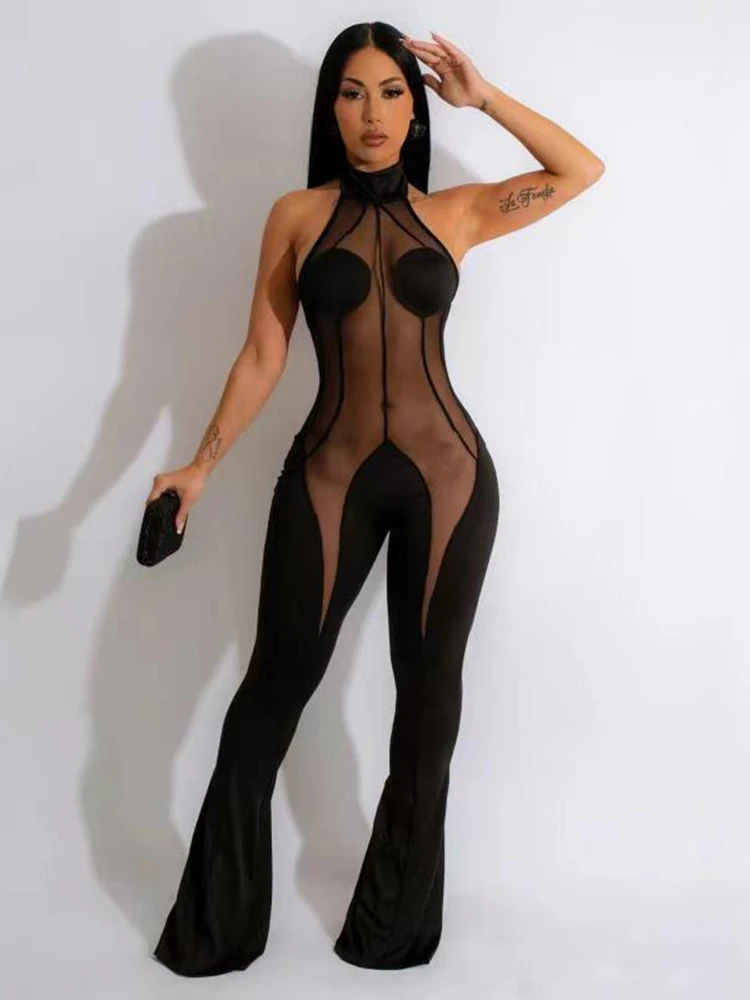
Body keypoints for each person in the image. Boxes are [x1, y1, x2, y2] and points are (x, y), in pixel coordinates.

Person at [148, 21, 604, 976]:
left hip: (450, 480)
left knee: (429, 702)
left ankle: (392, 932)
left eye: (393, 92)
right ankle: (217, 930)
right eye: (354, 92)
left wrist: (484, 97)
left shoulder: (459, 215)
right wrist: (199, 465)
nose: (374, 113)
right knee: (273, 689)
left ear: (416, 109)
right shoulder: (296, 215)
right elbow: (263, 353)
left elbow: (579, 170)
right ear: (331, 106)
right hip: (330, 477)